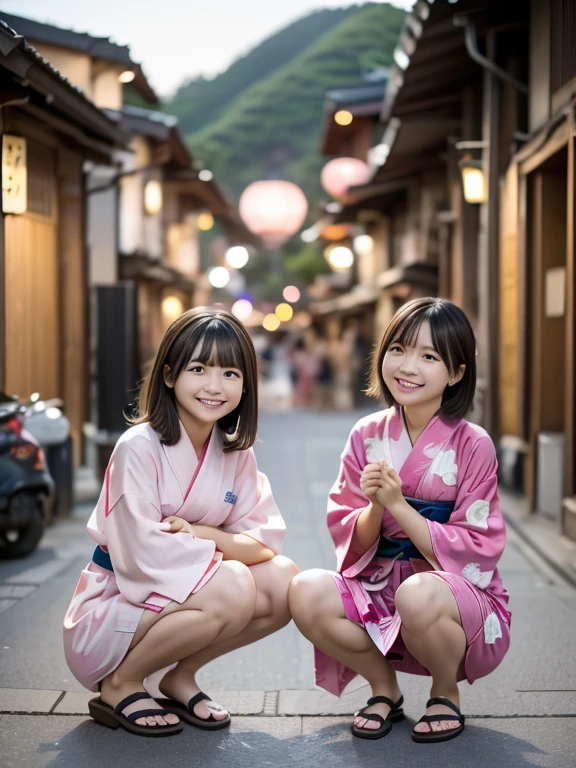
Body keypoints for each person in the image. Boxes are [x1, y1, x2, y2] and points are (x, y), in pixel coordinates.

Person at [63, 307, 298, 737]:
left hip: (175, 600)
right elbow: (142, 556)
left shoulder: (234, 451)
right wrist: (228, 548)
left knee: (283, 583)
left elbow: (264, 543)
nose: (214, 386)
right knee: (235, 584)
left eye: (230, 373)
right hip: (114, 608)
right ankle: (122, 682)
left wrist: (204, 534)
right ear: (169, 376)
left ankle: (179, 676)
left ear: (246, 384)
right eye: (199, 369)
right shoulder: (137, 447)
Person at [289, 297, 510, 744]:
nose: (408, 366)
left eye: (428, 356)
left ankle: (445, 692)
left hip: (447, 592)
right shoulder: (366, 435)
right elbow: (347, 531)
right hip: (379, 581)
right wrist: (376, 506)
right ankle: (383, 688)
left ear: (457, 373)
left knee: (418, 593)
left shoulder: (474, 444)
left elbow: (478, 546)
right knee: (305, 590)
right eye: (399, 350)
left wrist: (401, 506)